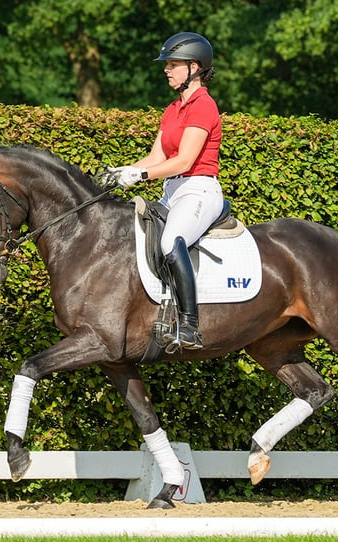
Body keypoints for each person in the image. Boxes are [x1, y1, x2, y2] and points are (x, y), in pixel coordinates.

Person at [104, 32, 224, 351]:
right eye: (167, 65)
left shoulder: (203, 107)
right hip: (172, 190)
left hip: (199, 189)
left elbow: (183, 160)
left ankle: (189, 326)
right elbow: (157, 158)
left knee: (171, 240)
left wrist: (140, 174)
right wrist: (120, 172)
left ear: (194, 67)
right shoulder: (173, 110)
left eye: (173, 64)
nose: (166, 70)